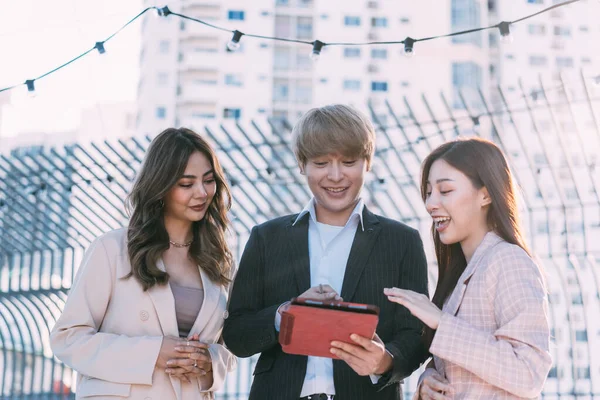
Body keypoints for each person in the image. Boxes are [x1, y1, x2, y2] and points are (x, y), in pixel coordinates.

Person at [223, 104, 429, 400]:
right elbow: (237, 335)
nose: (335, 176)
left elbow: (416, 335)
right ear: (301, 165)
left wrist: (386, 360)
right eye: (321, 163)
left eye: (348, 161)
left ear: (367, 162)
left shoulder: (402, 241)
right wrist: (286, 314)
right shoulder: (266, 238)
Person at [50, 128, 236, 400]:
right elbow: (68, 339)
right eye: (186, 184)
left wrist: (208, 361)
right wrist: (154, 353)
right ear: (160, 187)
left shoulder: (219, 262)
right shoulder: (112, 249)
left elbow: (230, 352)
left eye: (208, 181)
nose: (202, 192)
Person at [385, 137, 552, 399]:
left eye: (445, 191)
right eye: (429, 192)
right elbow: (464, 366)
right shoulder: (461, 273)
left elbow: (528, 373)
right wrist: (427, 379)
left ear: (485, 194)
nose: (430, 203)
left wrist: (442, 323)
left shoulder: (509, 261)